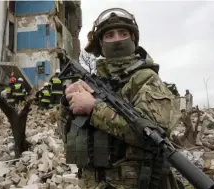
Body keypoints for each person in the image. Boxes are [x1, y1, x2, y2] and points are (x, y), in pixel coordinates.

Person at [57, 8, 182, 189]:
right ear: (100, 43)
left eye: (123, 34)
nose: (117, 40)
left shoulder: (146, 79)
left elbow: (154, 137)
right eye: (109, 35)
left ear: (133, 39)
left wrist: (94, 108)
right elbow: (67, 138)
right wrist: (67, 104)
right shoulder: (92, 82)